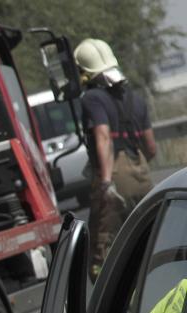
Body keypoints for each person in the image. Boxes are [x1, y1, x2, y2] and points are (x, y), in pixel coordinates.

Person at [75, 37, 156, 279]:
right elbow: (151, 147)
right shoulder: (136, 98)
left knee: (103, 257)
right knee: (147, 243)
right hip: (143, 177)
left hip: (115, 177)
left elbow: (103, 136)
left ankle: (116, 312)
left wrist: (107, 182)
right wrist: (137, 168)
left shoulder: (92, 98)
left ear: (85, 73)